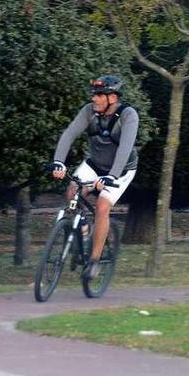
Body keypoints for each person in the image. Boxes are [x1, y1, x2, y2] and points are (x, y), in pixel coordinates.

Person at [50, 75, 139, 279]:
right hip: (95, 163)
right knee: (72, 190)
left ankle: (94, 261)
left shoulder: (128, 115)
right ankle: (82, 228)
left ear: (113, 98)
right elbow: (69, 134)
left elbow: (125, 149)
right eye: (94, 95)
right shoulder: (89, 112)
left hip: (121, 169)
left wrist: (112, 176)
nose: (94, 99)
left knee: (102, 206)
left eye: (100, 95)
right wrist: (59, 162)